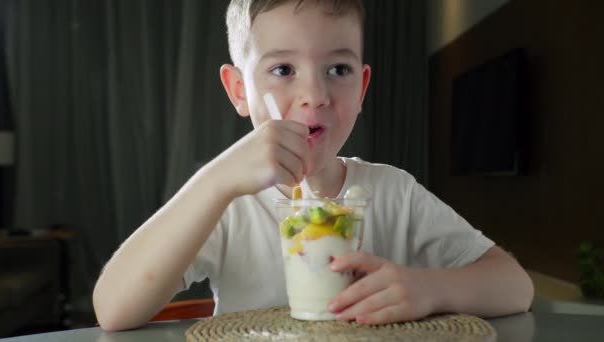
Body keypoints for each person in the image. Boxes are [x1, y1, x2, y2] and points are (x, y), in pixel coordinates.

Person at [93, 0, 534, 331]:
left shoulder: (394, 193)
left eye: (338, 69)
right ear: (239, 90)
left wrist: (429, 289)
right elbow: (112, 309)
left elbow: (516, 285)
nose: (315, 95)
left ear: (362, 88)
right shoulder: (230, 205)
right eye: (283, 69)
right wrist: (216, 180)